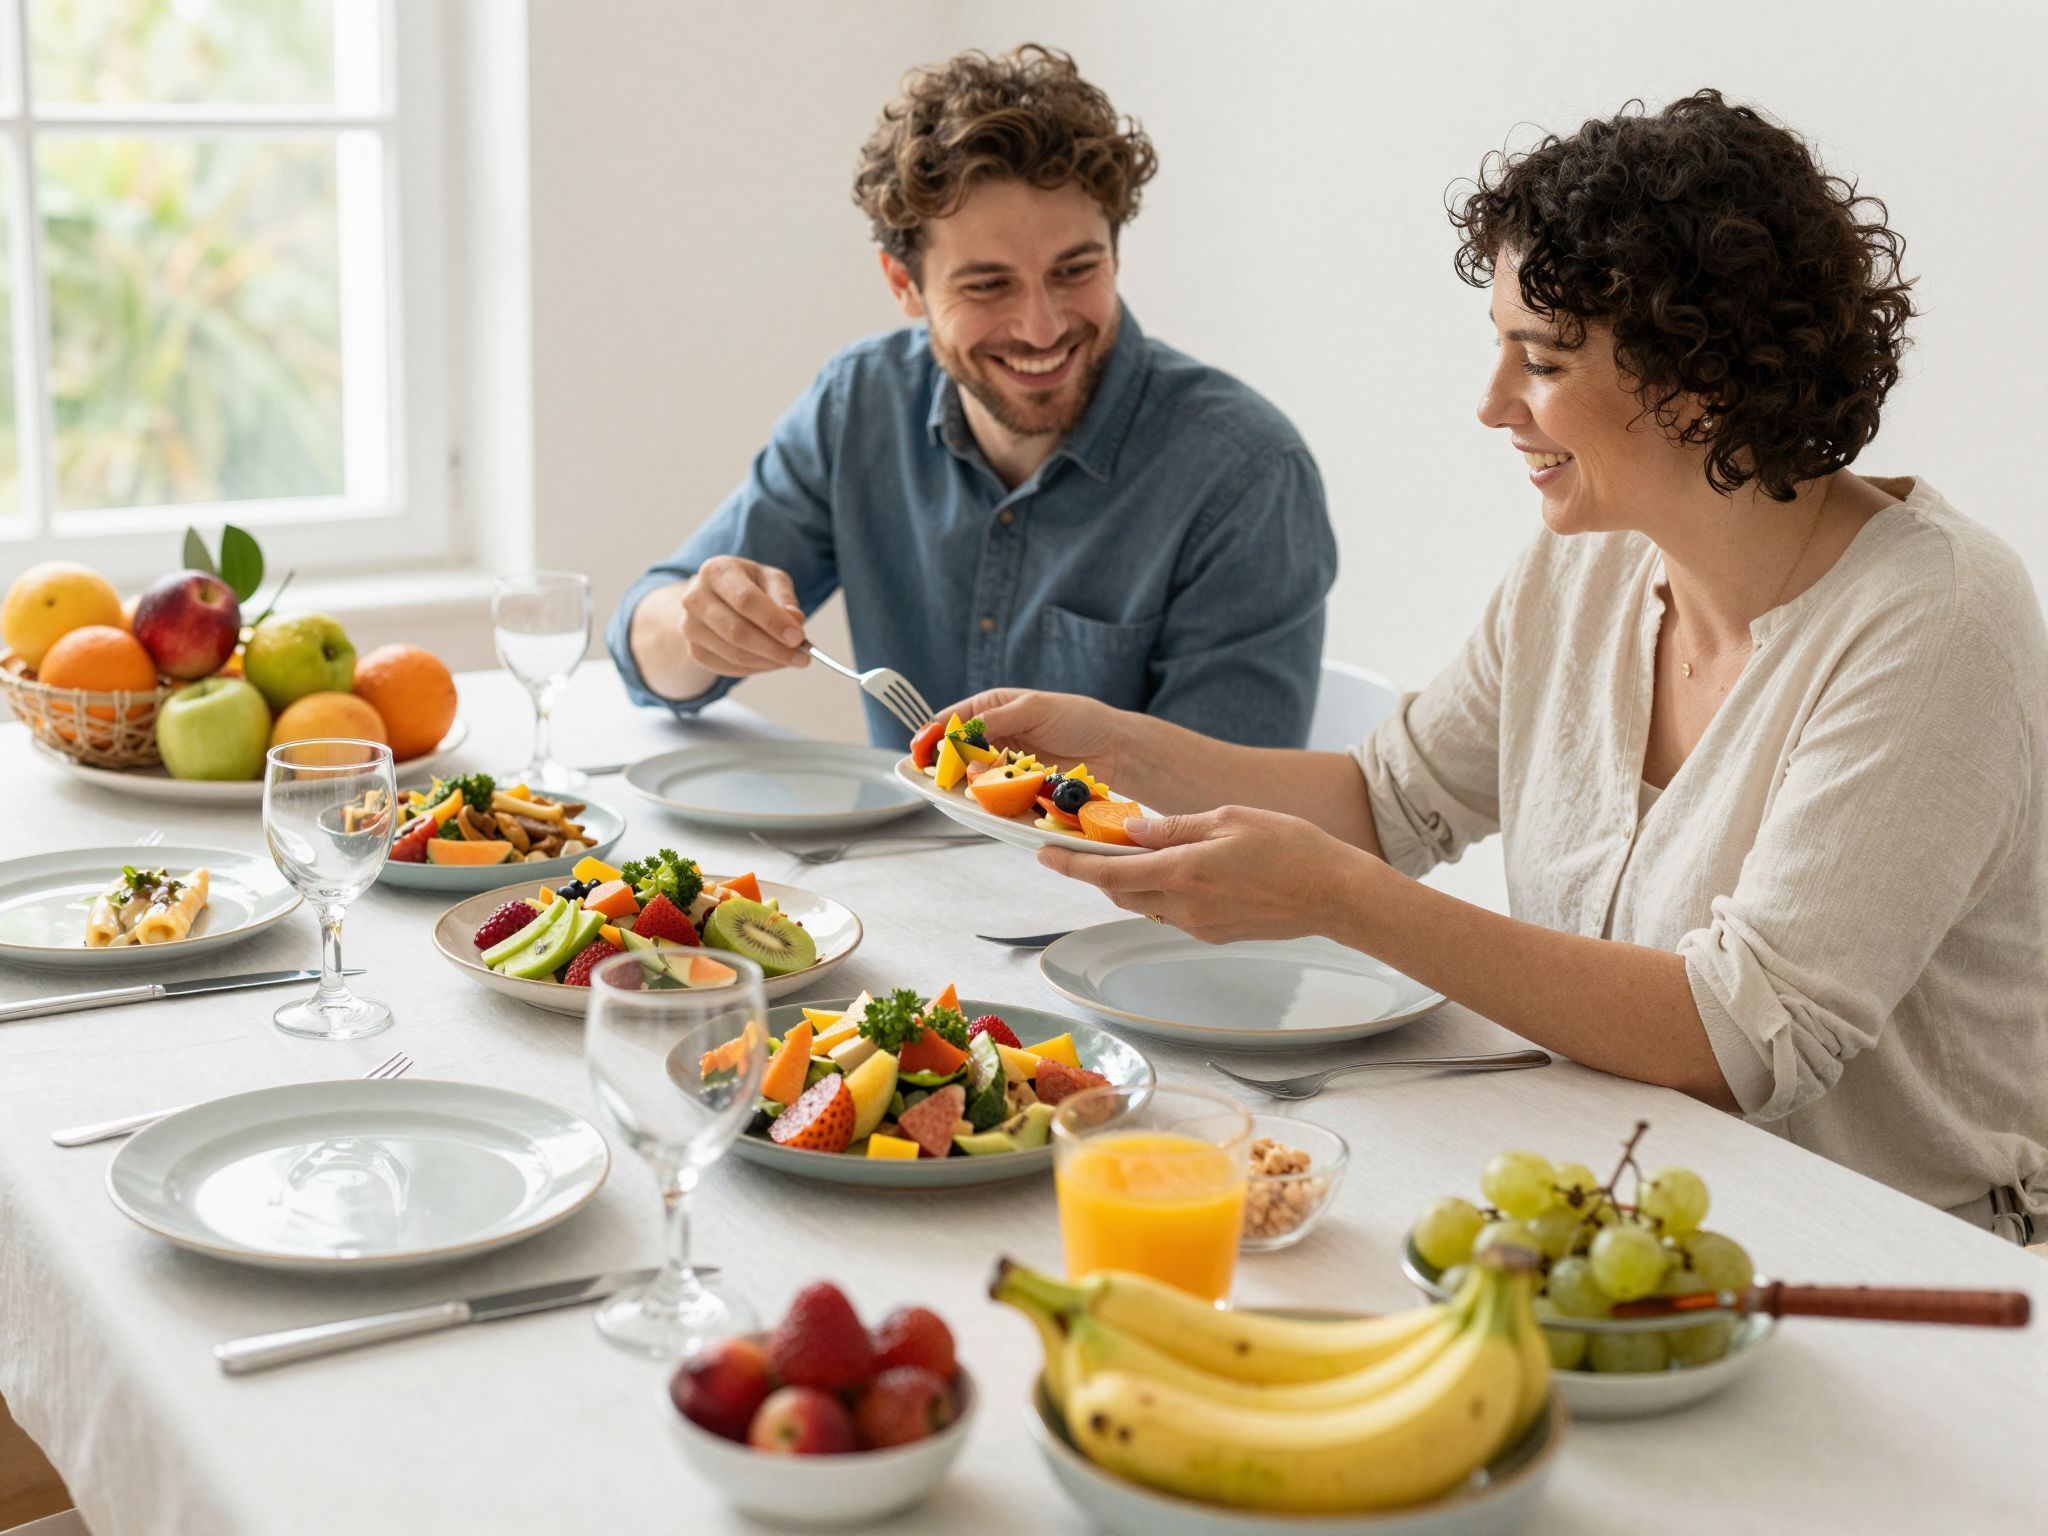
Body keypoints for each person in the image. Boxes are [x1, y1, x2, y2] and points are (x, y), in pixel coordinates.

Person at [952, 91, 2048, 1238]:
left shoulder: (1935, 622)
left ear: (1698, 377)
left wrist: (1338, 902)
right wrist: (1120, 748)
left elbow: (1740, 1037)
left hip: (1896, 1269)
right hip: (1610, 1215)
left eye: (1540, 360)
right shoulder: (1588, 565)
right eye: (1498, 349)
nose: (1490, 404)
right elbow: (1390, 800)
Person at [606, 45, 1338, 748]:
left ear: (1115, 255)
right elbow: (643, 650)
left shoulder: (1245, 475)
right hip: (900, 873)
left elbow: (1219, 829)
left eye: (1075, 269)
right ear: (904, 286)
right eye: (988, 285)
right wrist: (699, 627)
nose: (1041, 325)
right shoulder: (859, 406)